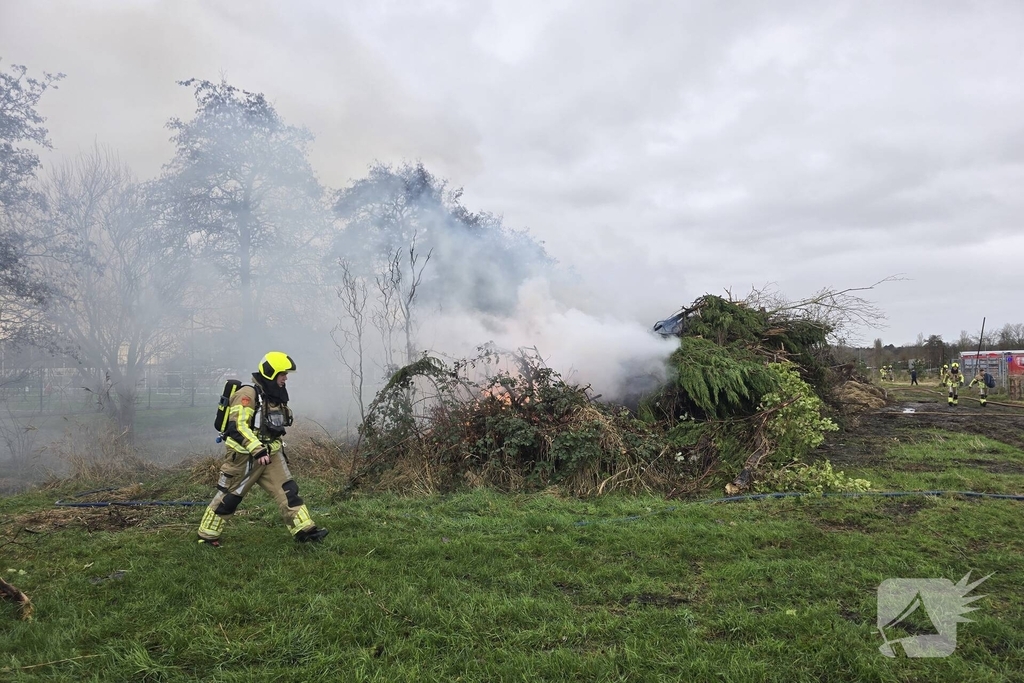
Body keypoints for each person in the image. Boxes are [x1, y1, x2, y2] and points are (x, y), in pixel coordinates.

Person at [197, 352, 328, 546]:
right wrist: (257, 449)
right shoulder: (247, 394)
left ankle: (305, 531)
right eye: (282, 373)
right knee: (230, 497)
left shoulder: (273, 394)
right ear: (270, 373)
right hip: (244, 457)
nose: (285, 377)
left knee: (288, 491)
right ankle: (207, 535)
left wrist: (266, 447)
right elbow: (238, 427)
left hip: (271, 453)